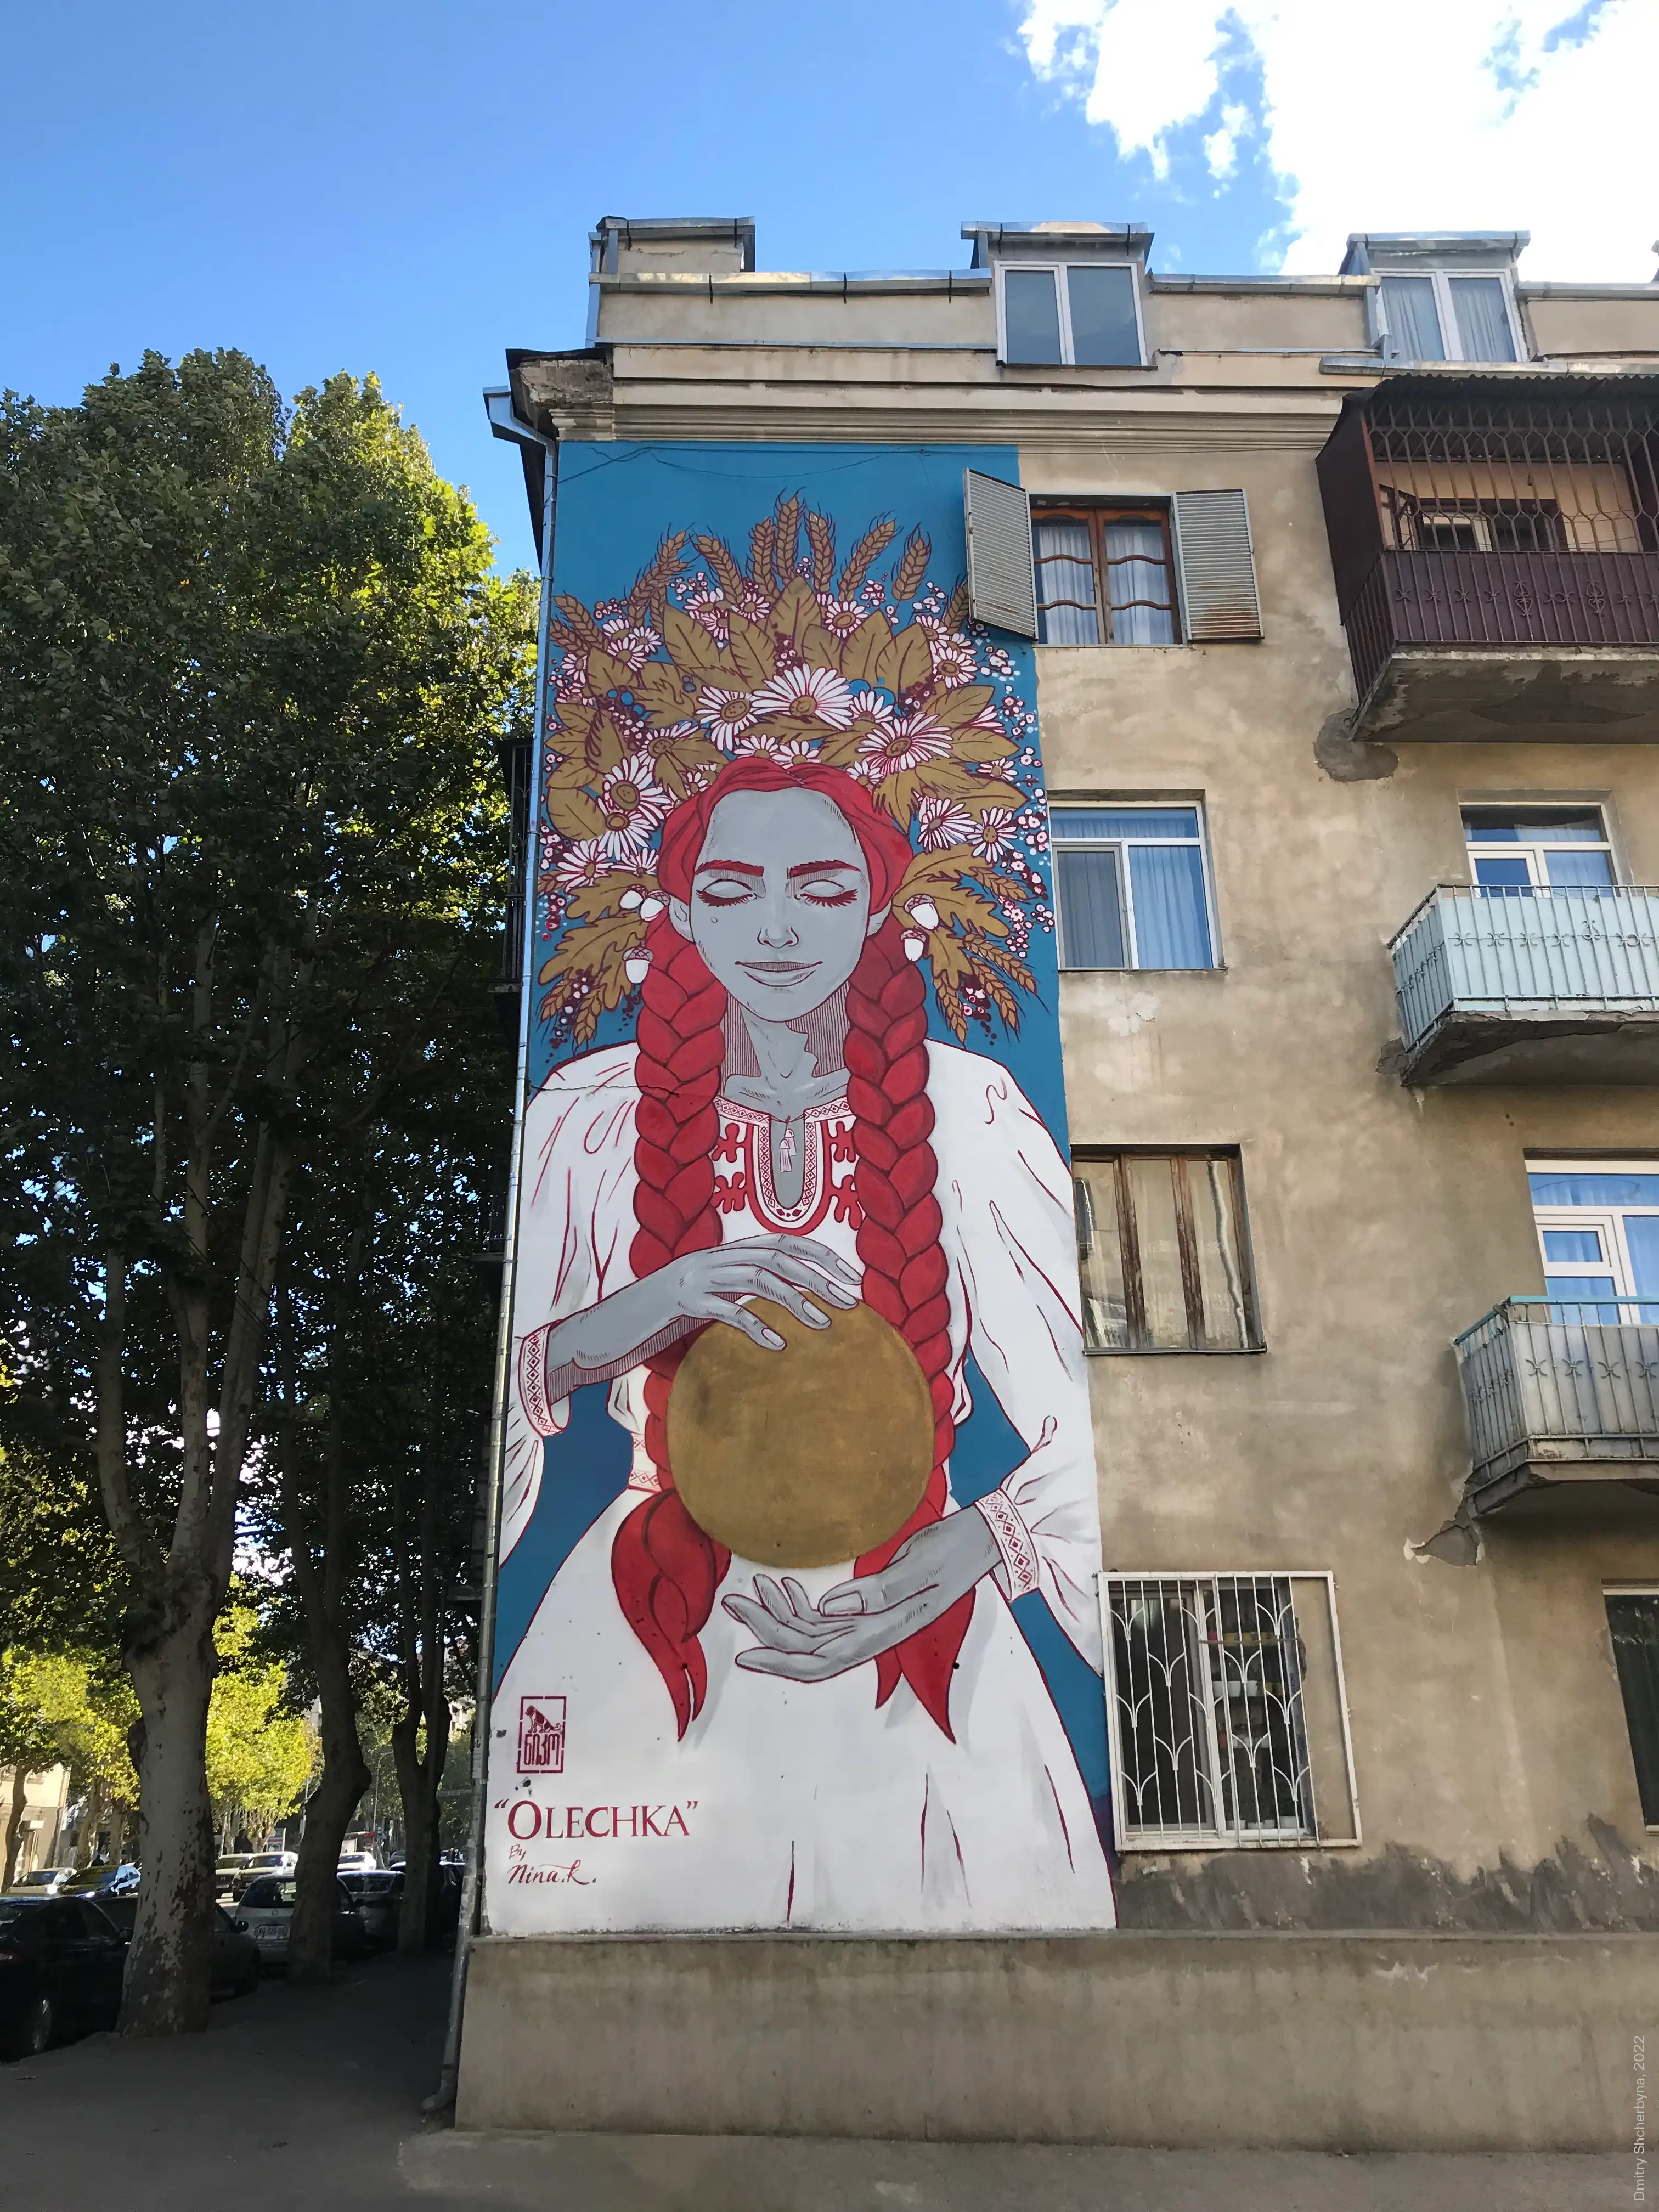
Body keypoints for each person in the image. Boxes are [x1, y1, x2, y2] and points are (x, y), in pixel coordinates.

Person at [493, 759, 1114, 1933]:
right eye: (730, 890)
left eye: (821, 888)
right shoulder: (587, 1117)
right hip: (652, 1617)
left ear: (880, 904)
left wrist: (981, 1542)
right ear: (677, 913)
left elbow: (1084, 1418)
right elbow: (502, 1396)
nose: (775, 927)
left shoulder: (970, 1114)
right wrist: (635, 1313)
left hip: (908, 1599)